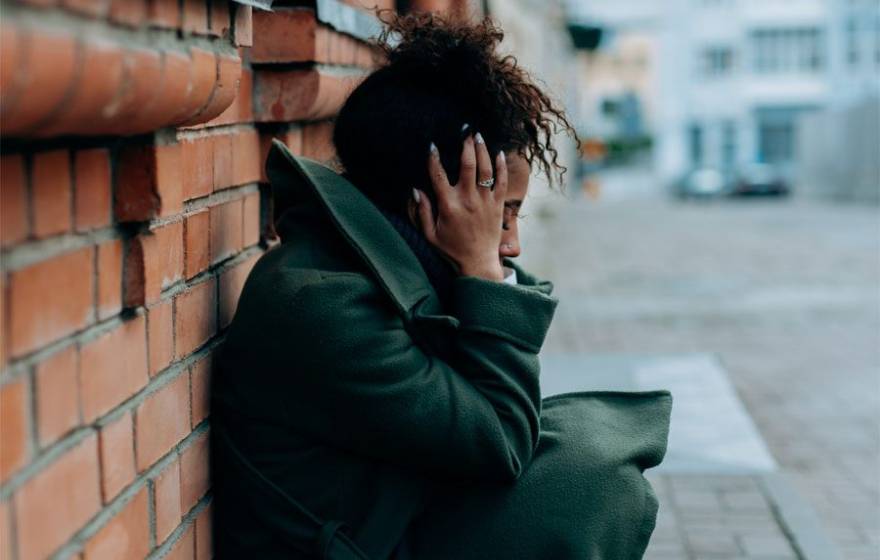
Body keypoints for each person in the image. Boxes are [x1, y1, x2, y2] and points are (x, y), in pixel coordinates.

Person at [210, 12, 672, 559]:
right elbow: (500, 440)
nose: (512, 245)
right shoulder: (322, 305)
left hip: (391, 515)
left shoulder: (373, 265)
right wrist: (480, 270)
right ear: (435, 198)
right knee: (590, 486)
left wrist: (480, 271)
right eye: (503, 214)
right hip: (357, 544)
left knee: (588, 441)